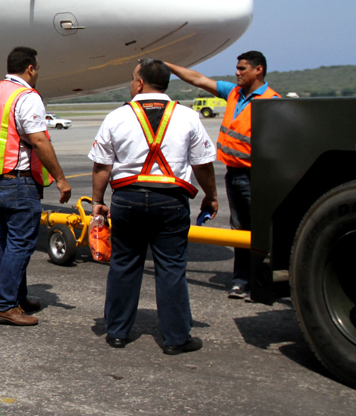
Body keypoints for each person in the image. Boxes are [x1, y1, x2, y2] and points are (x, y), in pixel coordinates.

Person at [90, 59, 218, 354]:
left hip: (128, 199)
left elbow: (101, 166)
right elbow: (203, 165)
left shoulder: (117, 117)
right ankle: (175, 338)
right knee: (171, 269)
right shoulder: (187, 116)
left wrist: (97, 202)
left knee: (124, 265)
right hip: (170, 201)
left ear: (139, 83)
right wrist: (211, 196)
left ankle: (118, 332)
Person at [165, 51, 279, 299]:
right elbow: (197, 79)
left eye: (242, 68)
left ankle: (262, 283)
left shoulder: (271, 101)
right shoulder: (233, 93)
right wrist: (167, 65)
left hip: (257, 177)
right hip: (234, 174)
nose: (237, 72)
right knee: (238, 229)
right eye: (237, 68)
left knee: (259, 231)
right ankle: (240, 282)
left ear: (258, 70)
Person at [0, 46, 72, 326]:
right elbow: (40, 141)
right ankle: (5, 305)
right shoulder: (26, 97)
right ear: (30, 68)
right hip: (18, 180)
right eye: (38, 69)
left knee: (8, 242)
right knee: (21, 243)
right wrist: (61, 178)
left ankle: (17, 297)